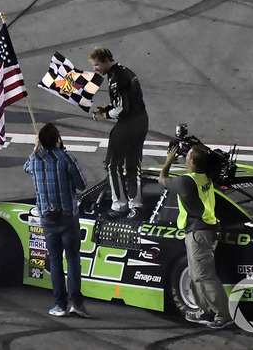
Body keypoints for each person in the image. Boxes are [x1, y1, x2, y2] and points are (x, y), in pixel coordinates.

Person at [159, 144, 234, 329]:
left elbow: (162, 179)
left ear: (191, 161)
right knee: (195, 275)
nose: (185, 159)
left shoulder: (185, 181)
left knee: (205, 276)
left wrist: (168, 161)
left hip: (199, 233)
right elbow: (208, 160)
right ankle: (206, 311)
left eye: (187, 156)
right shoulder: (206, 175)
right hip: (203, 230)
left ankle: (223, 315)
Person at [24, 123, 90, 318]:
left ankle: (59, 304)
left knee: (54, 259)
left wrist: (37, 148)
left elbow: (26, 167)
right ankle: (76, 302)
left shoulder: (34, 160)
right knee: (73, 258)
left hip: (47, 218)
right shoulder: (66, 159)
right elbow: (82, 184)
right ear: (57, 139)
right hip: (68, 216)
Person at [89, 46, 148, 219]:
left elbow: (122, 109)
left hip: (128, 124)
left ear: (106, 61)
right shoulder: (124, 71)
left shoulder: (116, 78)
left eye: (97, 65)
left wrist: (104, 115)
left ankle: (119, 205)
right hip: (141, 121)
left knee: (112, 164)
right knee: (133, 164)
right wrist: (107, 108)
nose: (95, 69)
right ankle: (136, 206)